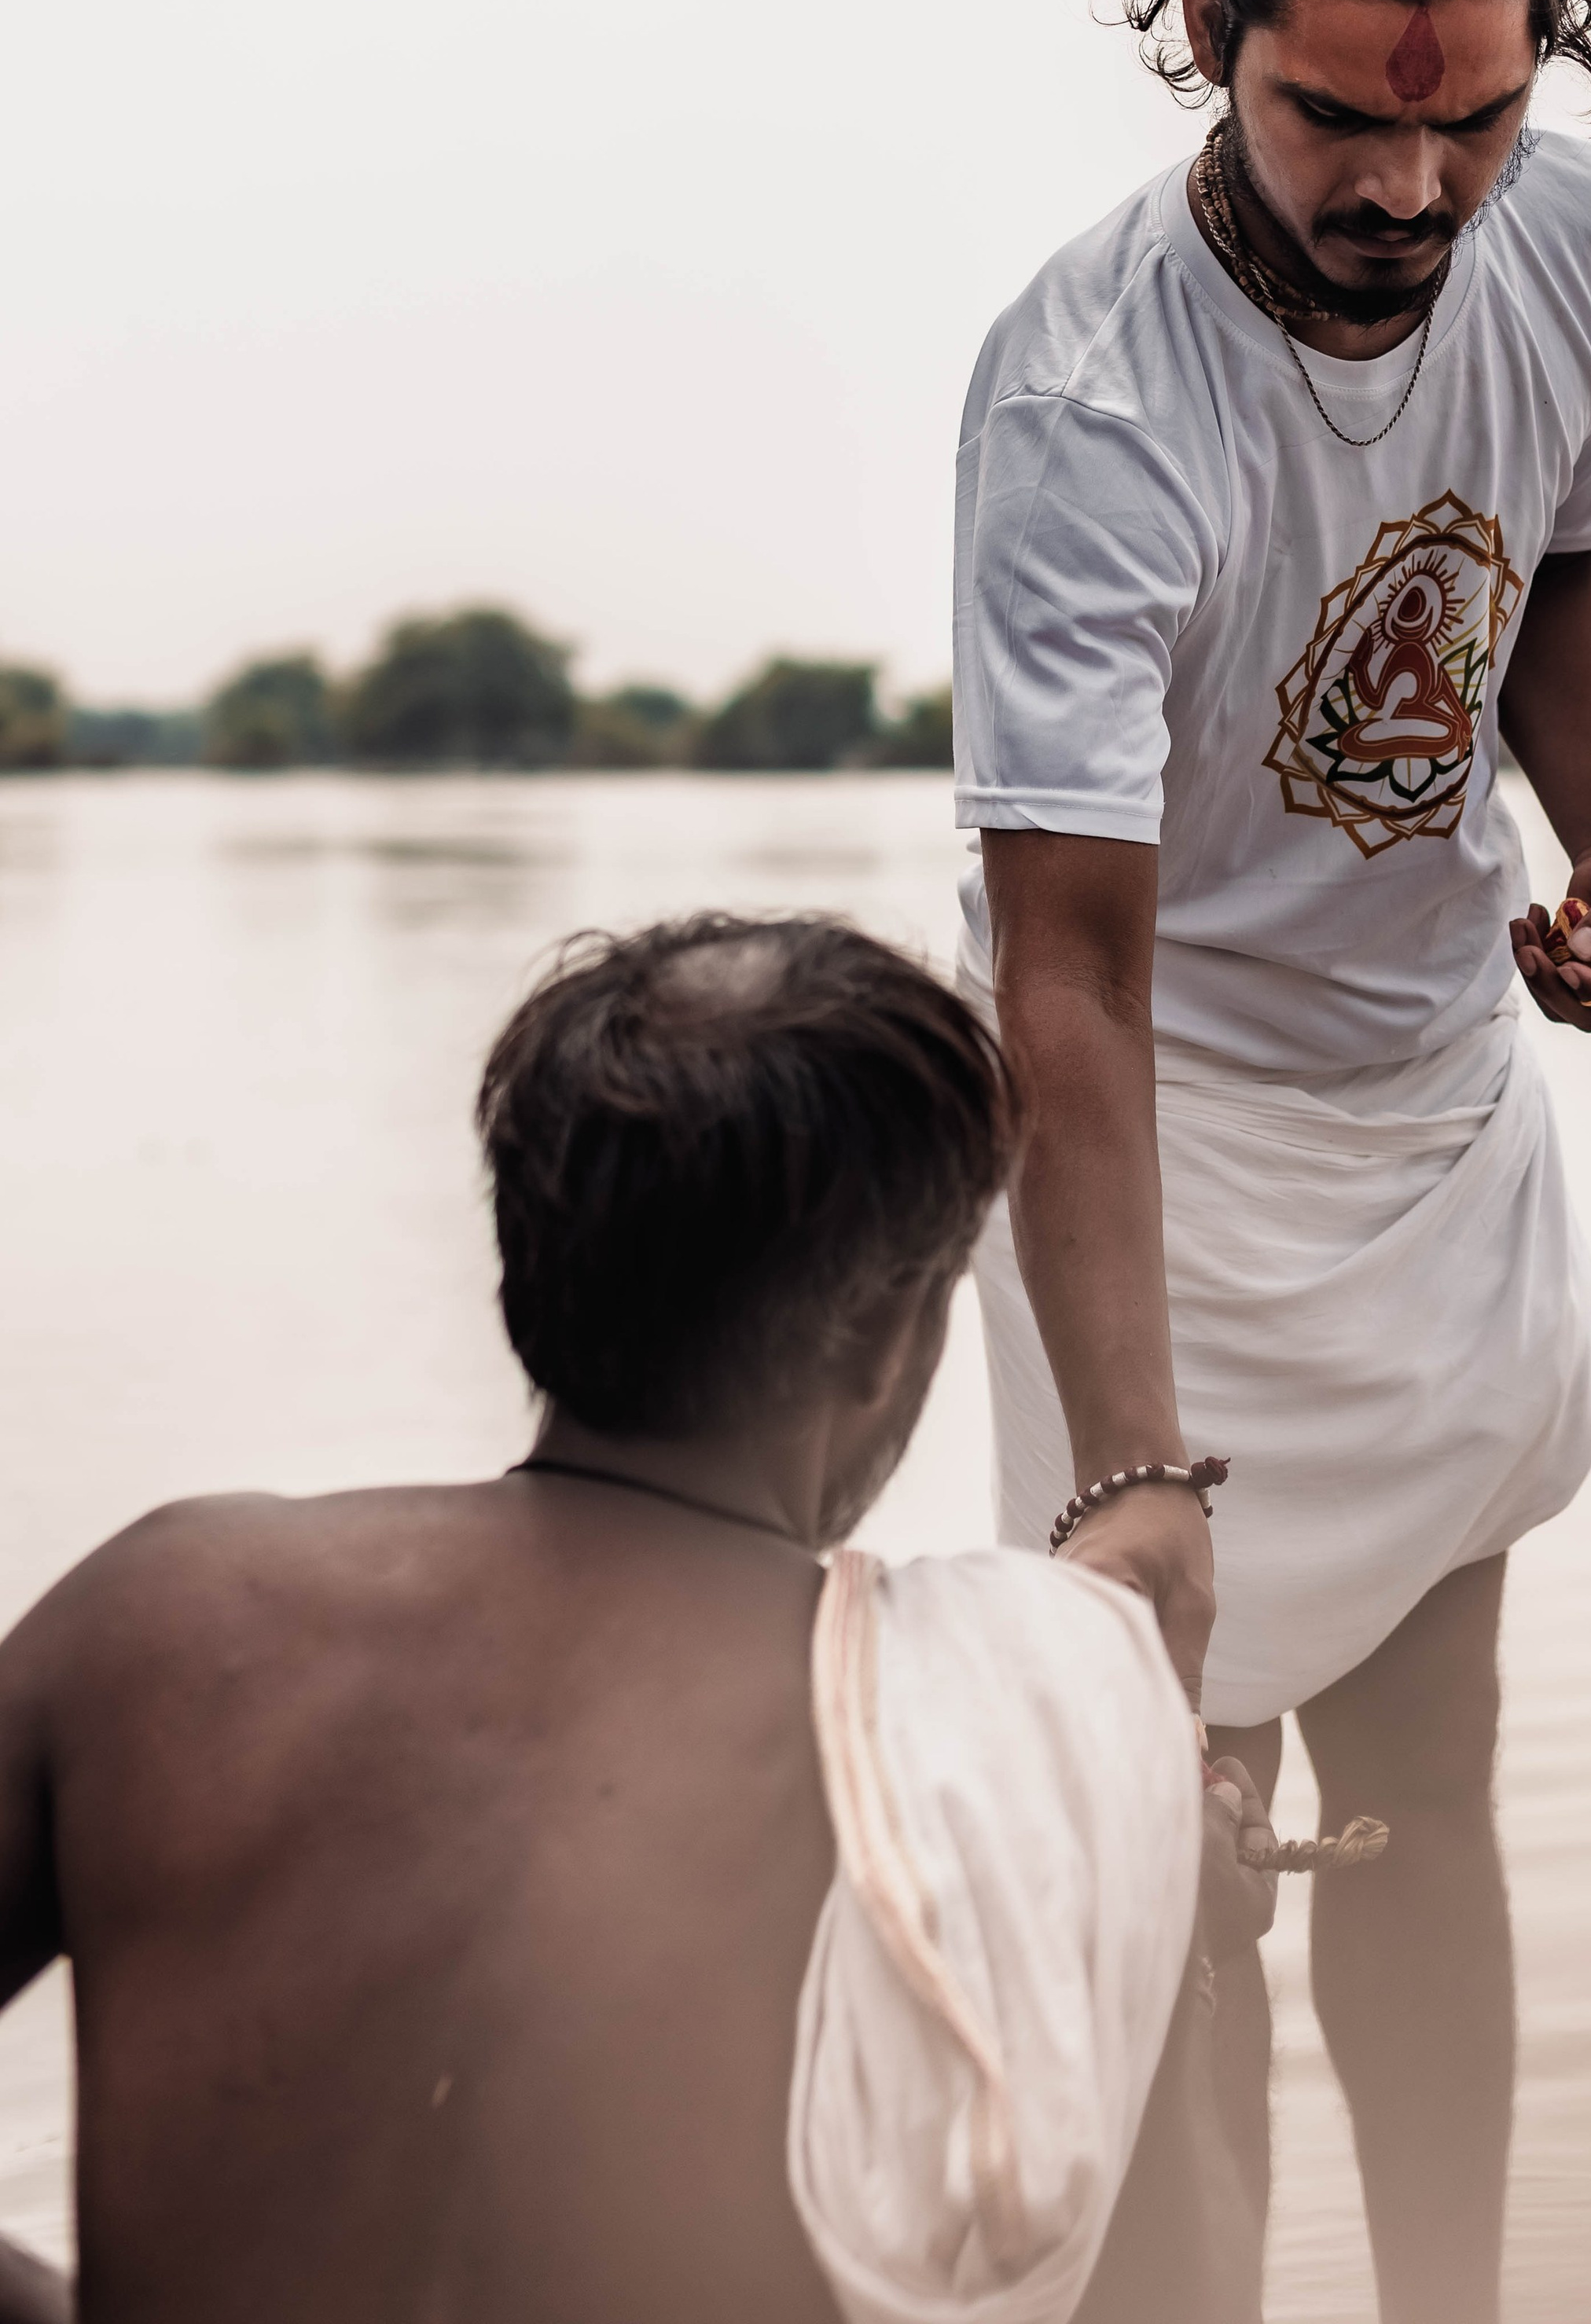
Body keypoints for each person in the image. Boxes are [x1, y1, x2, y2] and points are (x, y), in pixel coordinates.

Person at [953, 0, 1591, 2324]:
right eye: (1332, 121)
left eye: (1475, 123)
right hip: (1148, 1130)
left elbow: (1561, 561)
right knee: (1181, 1872)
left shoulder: (1580, 239)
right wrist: (1134, 1461)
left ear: (1545, 69)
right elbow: (1063, 975)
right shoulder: (1088, 406)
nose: (1408, 192)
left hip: (1424, 1121)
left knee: (1431, 1796)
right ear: (1201, 34)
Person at [0, 914, 1270, 2324]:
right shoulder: (1046, 1722)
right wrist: (1164, 1911)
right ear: (884, 1330)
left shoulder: (157, 1618)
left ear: (518, 1263)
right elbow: (1169, 2296)